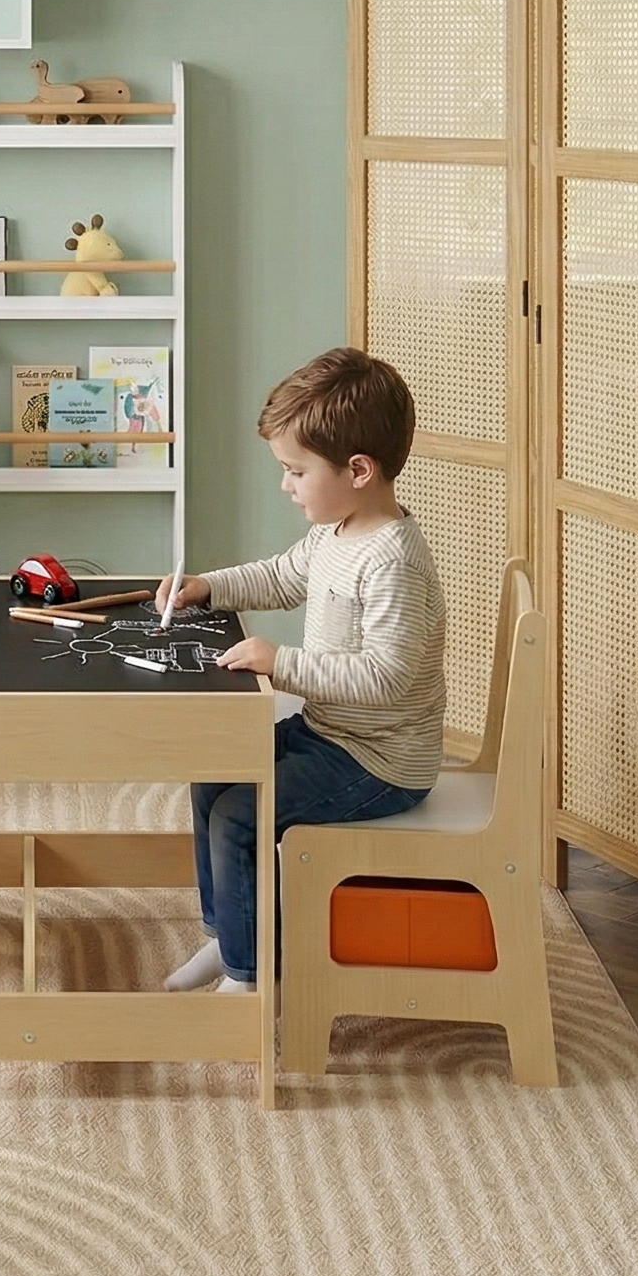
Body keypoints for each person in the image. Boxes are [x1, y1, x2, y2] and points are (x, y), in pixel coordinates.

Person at [155, 347, 445, 994]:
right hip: (332, 734)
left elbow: (385, 678)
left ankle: (251, 977)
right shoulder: (336, 532)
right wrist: (209, 586)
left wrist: (279, 663)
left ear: (359, 470)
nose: (285, 485)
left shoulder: (392, 561)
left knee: (240, 816)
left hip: (380, 760)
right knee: (216, 769)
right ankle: (226, 935)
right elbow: (283, 577)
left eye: (295, 471)